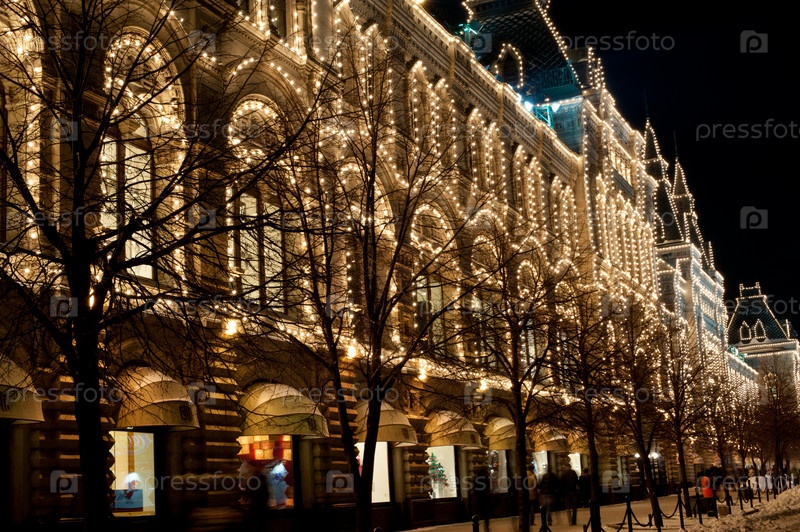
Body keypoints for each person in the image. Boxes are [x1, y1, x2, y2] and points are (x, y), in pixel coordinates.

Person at [474, 465, 492, 532]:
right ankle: (486, 526)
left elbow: (475, 489)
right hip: (485, 498)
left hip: (479, 498)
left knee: (479, 513)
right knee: (486, 514)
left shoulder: (477, 478)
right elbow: (488, 488)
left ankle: (477, 525)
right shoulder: (486, 478)